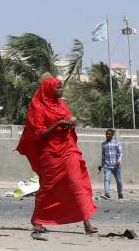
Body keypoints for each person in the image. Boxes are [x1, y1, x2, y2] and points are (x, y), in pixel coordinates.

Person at [17, 77, 97, 239]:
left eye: (61, 88)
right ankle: (37, 219)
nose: (61, 90)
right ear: (48, 89)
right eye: (58, 88)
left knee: (77, 183)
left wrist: (70, 123)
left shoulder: (62, 104)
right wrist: (58, 124)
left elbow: (67, 120)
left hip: (68, 149)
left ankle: (87, 222)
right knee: (48, 187)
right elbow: (40, 133)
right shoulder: (38, 107)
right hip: (51, 153)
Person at [100, 129, 124, 200]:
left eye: (109, 134)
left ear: (112, 135)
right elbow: (103, 155)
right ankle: (107, 194)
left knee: (119, 181)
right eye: (106, 134)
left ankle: (120, 194)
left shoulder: (116, 143)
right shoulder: (104, 144)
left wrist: (119, 160)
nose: (107, 135)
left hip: (116, 166)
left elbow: (120, 153)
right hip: (107, 166)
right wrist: (102, 165)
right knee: (106, 179)